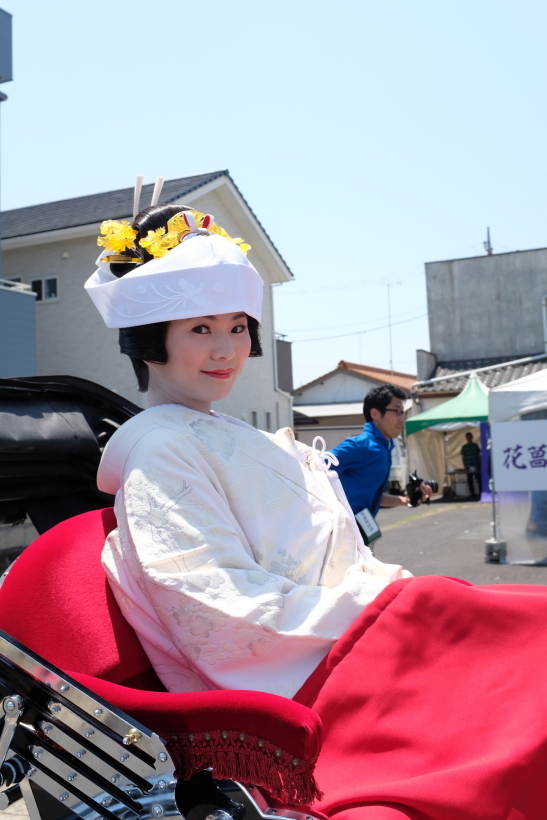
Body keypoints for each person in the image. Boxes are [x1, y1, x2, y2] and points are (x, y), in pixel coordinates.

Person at [84, 179, 547, 819]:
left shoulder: (225, 434)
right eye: (199, 328)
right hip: (328, 668)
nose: (226, 349)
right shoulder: (160, 450)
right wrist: (379, 609)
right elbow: (211, 602)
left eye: (239, 327)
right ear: (146, 340)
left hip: (359, 626)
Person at [330, 385, 432, 538]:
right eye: (397, 411)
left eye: (403, 412)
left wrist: (408, 500)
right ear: (375, 413)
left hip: (358, 535)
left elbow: (375, 496)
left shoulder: (385, 447)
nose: (402, 418)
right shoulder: (359, 445)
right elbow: (314, 466)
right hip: (340, 536)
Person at [461, 431, 481, 498]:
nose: (469, 438)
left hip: (476, 465)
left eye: (470, 437)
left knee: (479, 480)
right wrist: (464, 466)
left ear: (472, 437)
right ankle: (472, 494)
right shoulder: (464, 447)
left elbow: (479, 456)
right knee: (470, 481)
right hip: (468, 466)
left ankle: (481, 493)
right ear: (466, 438)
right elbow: (463, 457)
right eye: (467, 437)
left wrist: (480, 465)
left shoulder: (475, 446)